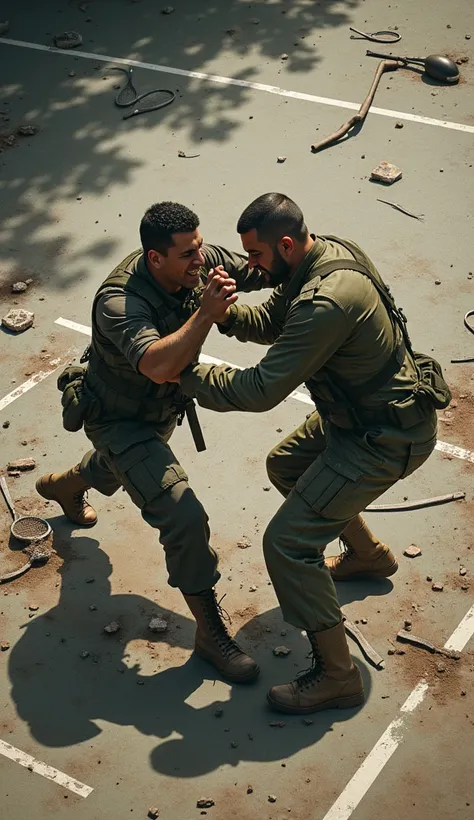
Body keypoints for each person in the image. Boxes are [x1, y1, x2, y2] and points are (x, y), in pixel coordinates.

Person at [173, 192, 451, 715]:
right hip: (357, 417)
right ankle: (368, 555)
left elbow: (259, 390)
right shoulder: (320, 257)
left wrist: (186, 375)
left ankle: (338, 676)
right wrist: (223, 315)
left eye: (255, 258)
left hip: (383, 437)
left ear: (284, 244)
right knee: (288, 464)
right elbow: (274, 320)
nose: (251, 268)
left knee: (287, 544)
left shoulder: (328, 301)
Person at [36, 201, 265, 685]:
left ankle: (65, 484)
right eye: (187, 255)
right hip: (119, 418)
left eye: (200, 247)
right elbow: (159, 364)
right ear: (155, 258)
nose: (200, 262)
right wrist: (206, 313)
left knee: (120, 470)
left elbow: (261, 265)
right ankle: (209, 636)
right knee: (180, 511)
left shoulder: (194, 262)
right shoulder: (118, 302)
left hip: (158, 411)